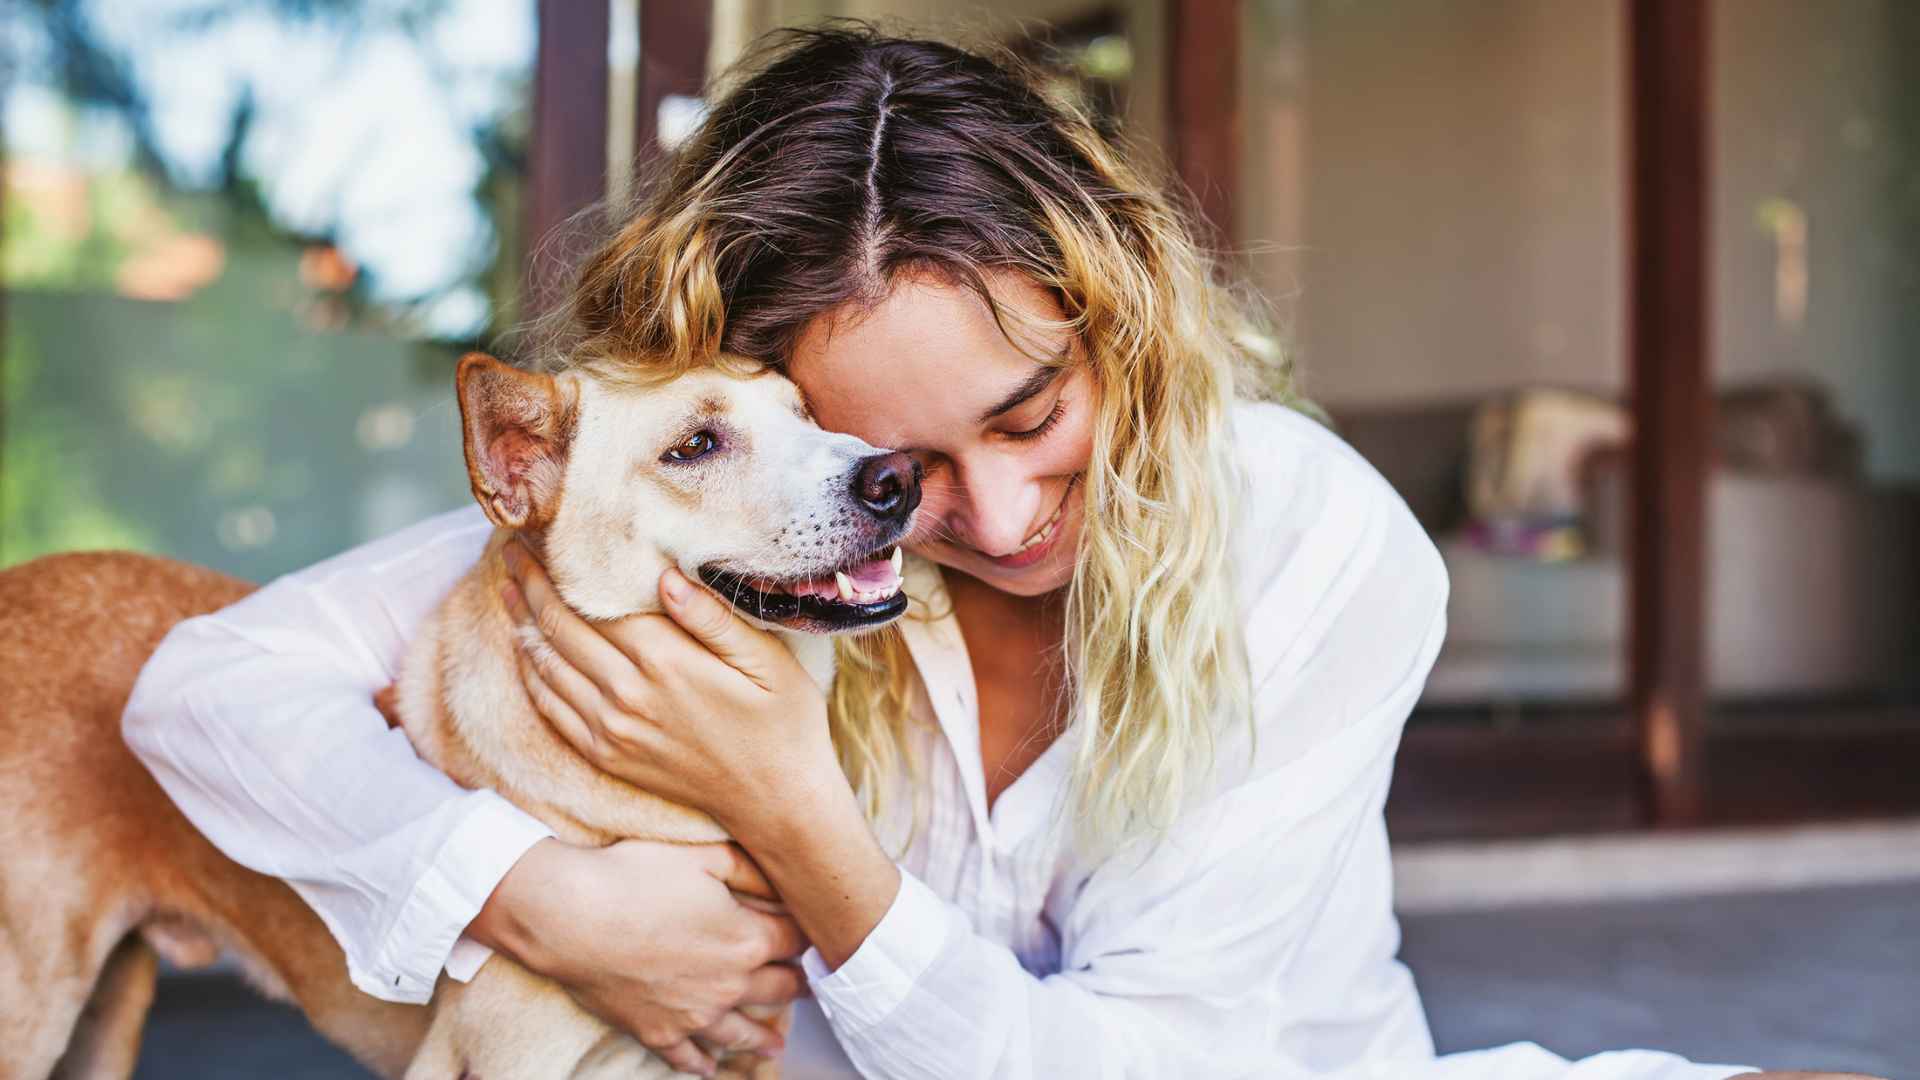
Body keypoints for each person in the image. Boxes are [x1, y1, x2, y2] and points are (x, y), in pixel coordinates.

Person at [126, 26, 1802, 1080]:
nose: (998, 526)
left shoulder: (1309, 536)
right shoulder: (731, 512)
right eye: (893, 468)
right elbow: (204, 690)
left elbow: (1143, 1068)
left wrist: (795, 810)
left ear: (1116, 317)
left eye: (1029, 411)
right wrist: (542, 895)